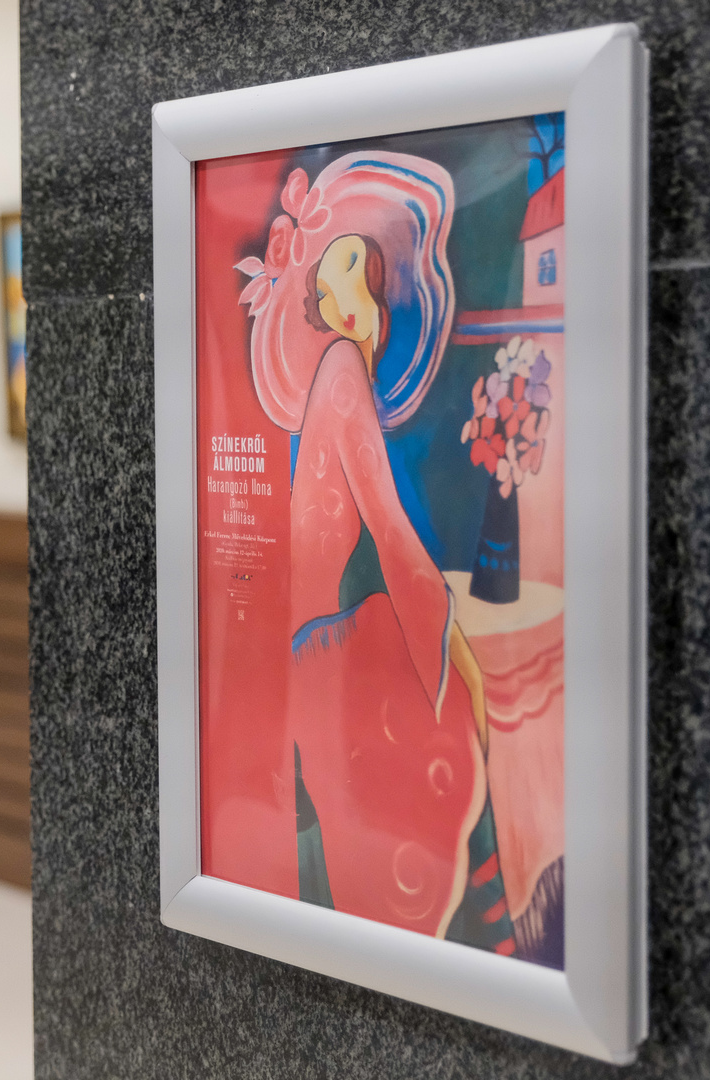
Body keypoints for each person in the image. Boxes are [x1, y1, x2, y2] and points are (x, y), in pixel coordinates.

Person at [234, 153, 502, 943]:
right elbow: (388, 527)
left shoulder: (342, 376)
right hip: (324, 643)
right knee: (449, 718)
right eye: (334, 277)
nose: (353, 291)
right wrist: (449, 648)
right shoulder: (344, 370)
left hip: (310, 637)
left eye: (356, 265)